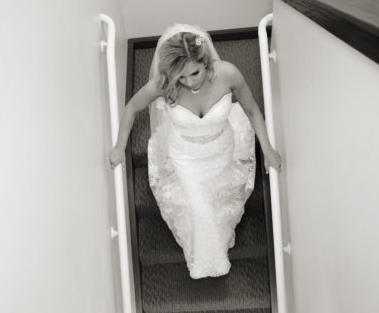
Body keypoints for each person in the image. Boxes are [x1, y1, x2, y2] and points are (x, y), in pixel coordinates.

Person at [109, 24, 281, 279]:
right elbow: (132, 108)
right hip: (185, 158)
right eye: (182, 77)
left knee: (218, 196)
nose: (189, 82)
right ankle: (209, 262)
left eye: (195, 73)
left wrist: (268, 150)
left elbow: (252, 110)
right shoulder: (165, 83)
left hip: (221, 149)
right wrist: (120, 147)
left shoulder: (228, 73)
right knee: (200, 209)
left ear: (206, 61)